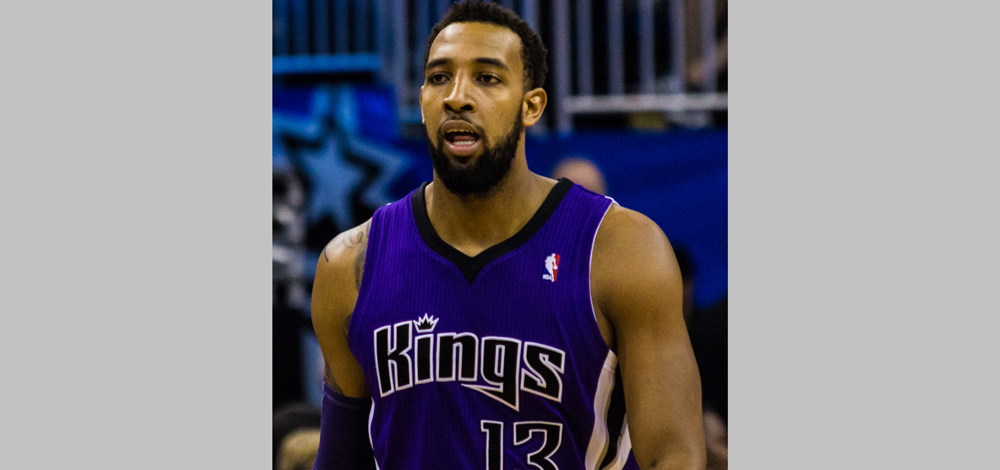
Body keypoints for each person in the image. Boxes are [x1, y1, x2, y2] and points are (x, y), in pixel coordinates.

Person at [310, 2, 705, 469]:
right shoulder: (351, 264)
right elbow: (340, 459)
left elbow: (674, 455)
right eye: (439, 77)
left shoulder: (620, 248)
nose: (457, 96)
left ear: (531, 106)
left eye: (487, 78)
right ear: (422, 101)